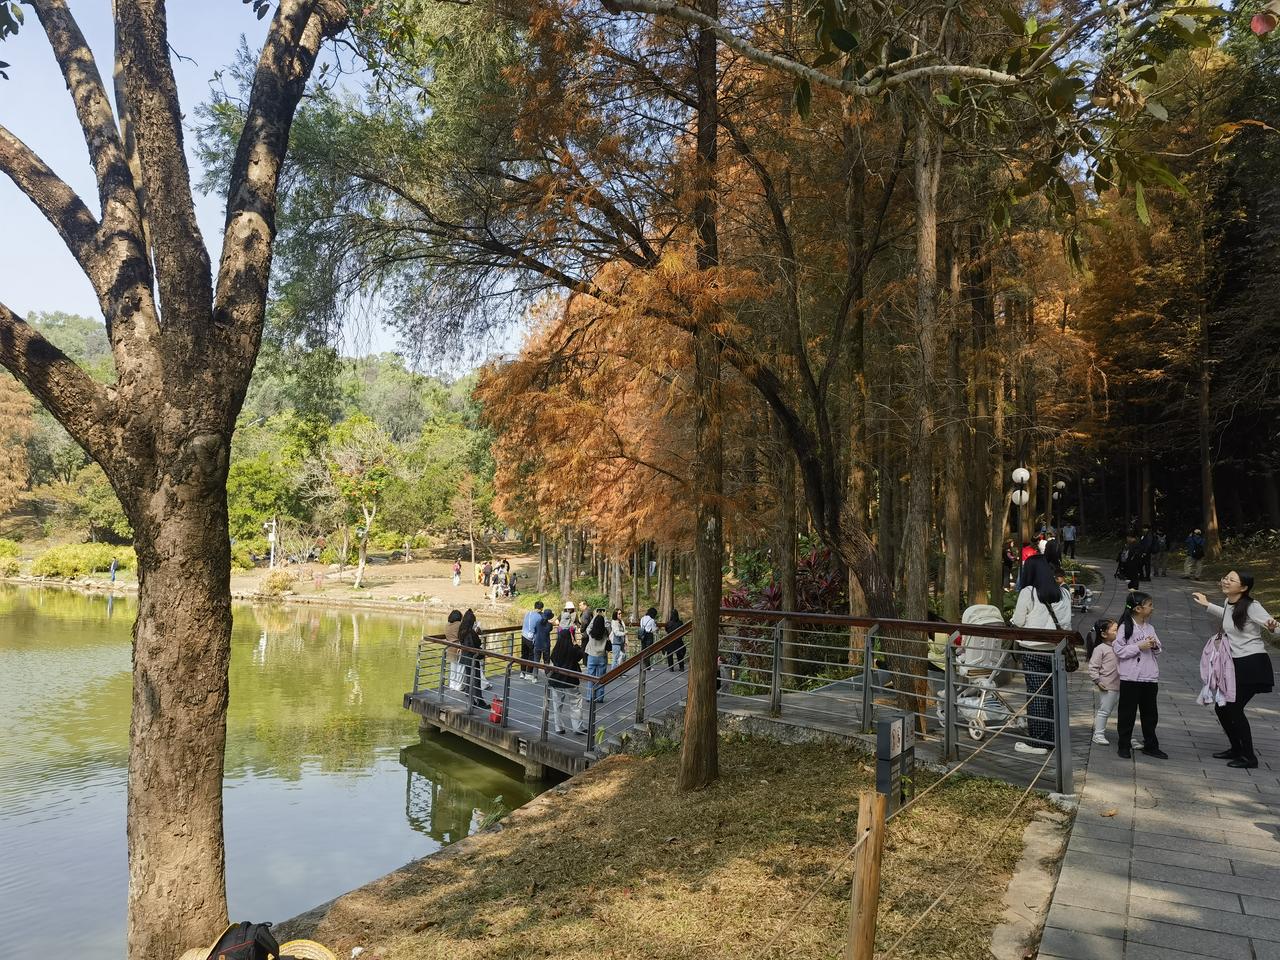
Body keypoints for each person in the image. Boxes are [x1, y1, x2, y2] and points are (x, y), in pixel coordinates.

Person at [1193, 572, 1279, 769]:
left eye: (1231, 580)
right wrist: (1207, 604)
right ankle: (1236, 749)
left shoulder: (1252, 606)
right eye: (1226, 578)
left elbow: (1274, 627)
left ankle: (1249, 757)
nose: (1226, 581)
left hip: (1253, 664)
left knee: (1233, 707)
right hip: (1236, 663)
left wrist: (1272, 627)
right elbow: (1228, 614)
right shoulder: (1229, 602)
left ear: (1243, 588)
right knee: (1222, 707)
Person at [1010, 561, 1072, 755]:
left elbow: (1018, 621)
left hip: (1033, 651)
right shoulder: (1064, 593)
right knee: (1054, 695)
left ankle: (1039, 742)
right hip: (1056, 650)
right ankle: (1054, 737)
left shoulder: (1029, 592)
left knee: (1037, 696)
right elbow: (1066, 623)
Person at [1113, 591, 1165, 759]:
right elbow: (1119, 650)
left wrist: (1154, 645)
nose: (1152, 608)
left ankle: (1151, 745)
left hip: (1149, 677)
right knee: (1127, 713)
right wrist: (1138, 647)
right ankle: (1123, 745)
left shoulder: (1150, 627)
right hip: (1130, 678)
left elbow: (1158, 650)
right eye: (1149, 605)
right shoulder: (1124, 627)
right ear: (1138, 608)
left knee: (1150, 714)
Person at [1087, 618, 1120, 745]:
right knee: (1105, 710)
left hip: (1123, 684)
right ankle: (1098, 734)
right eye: (1115, 630)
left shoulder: (1120, 647)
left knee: (1125, 712)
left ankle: (1128, 736)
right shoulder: (1100, 649)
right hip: (1108, 685)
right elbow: (1093, 667)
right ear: (1104, 634)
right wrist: (1097, 680)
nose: (1119, 632)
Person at [548, 627, 586, 735]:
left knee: (557, 705)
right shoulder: (573, 650)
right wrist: (576, 645)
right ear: (570, 638)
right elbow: (581, 655)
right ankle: (578, 727)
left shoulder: (556, 650)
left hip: (556, 680)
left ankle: (558, 728)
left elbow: (552, 659)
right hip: (570, 681)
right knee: (575, 703)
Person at [459, 608, 488, 710]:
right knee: (476, 679)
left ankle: (472, 700)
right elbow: (472, 645)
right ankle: (478, 700)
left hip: (465, 657)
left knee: (469, 678)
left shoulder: (462, 631)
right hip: (472, 658)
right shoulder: (469, 633)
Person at [585, 612, 610, 703]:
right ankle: (600, 697)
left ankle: (590, 696)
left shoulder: (590, 632)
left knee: (590, 677)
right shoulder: (606, 632)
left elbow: (588, 627)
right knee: (601, 678)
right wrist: (605, 617)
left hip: (592, 656)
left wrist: (595, 616)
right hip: (602, 656)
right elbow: (609, 626)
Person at [520, 600, 545, 680]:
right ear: (541, 608)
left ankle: (522, 672)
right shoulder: (539, 617)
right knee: (532, 655)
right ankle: (528, 673)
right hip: (531, 638)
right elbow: (539, 628)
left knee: (524, 655)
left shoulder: (528, 613)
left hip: (523, 635)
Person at [444, 608, 464, 691]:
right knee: (460, 667)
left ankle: (452, 685)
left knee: (453, 667)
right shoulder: (460, 624)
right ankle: (459, 686)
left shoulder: (447, 625)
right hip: (459, 647)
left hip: (450, 647)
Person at [531, 608, 554, 676]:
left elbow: (535, 630)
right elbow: (550, 629)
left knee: (536, 661)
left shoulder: (538, 622)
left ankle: (535, 677)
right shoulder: (549, 625)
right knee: (546, 661)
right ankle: (547, 674)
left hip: (537, 643)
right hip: (546, 645)